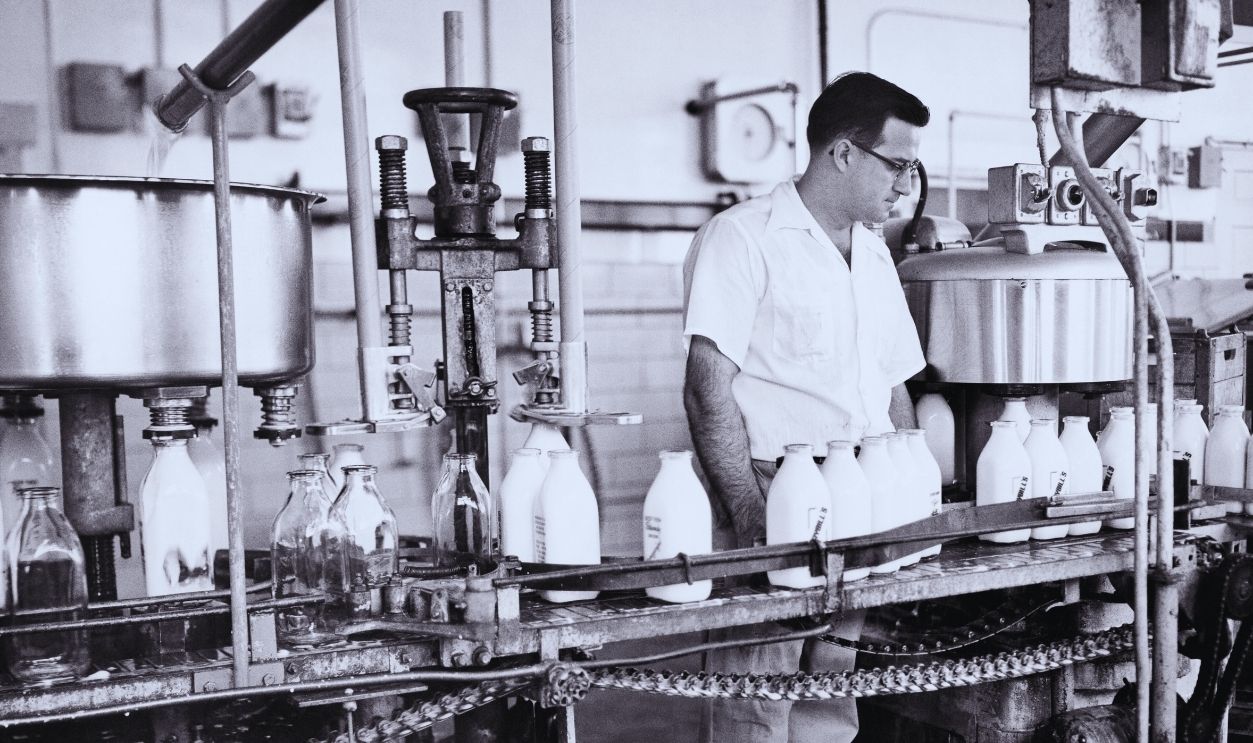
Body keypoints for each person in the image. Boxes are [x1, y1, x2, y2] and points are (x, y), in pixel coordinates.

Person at [682, 71, 930, 743]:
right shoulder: (743, 237)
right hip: (775, 486)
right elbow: (707, 385)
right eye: (898, 163)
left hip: (860, 493)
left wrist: (909, 506)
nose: (906, 184)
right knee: (755, 691)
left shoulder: (872, 254)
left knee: (830, 681)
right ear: (843, 151)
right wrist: (749, 512)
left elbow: (892, 388)